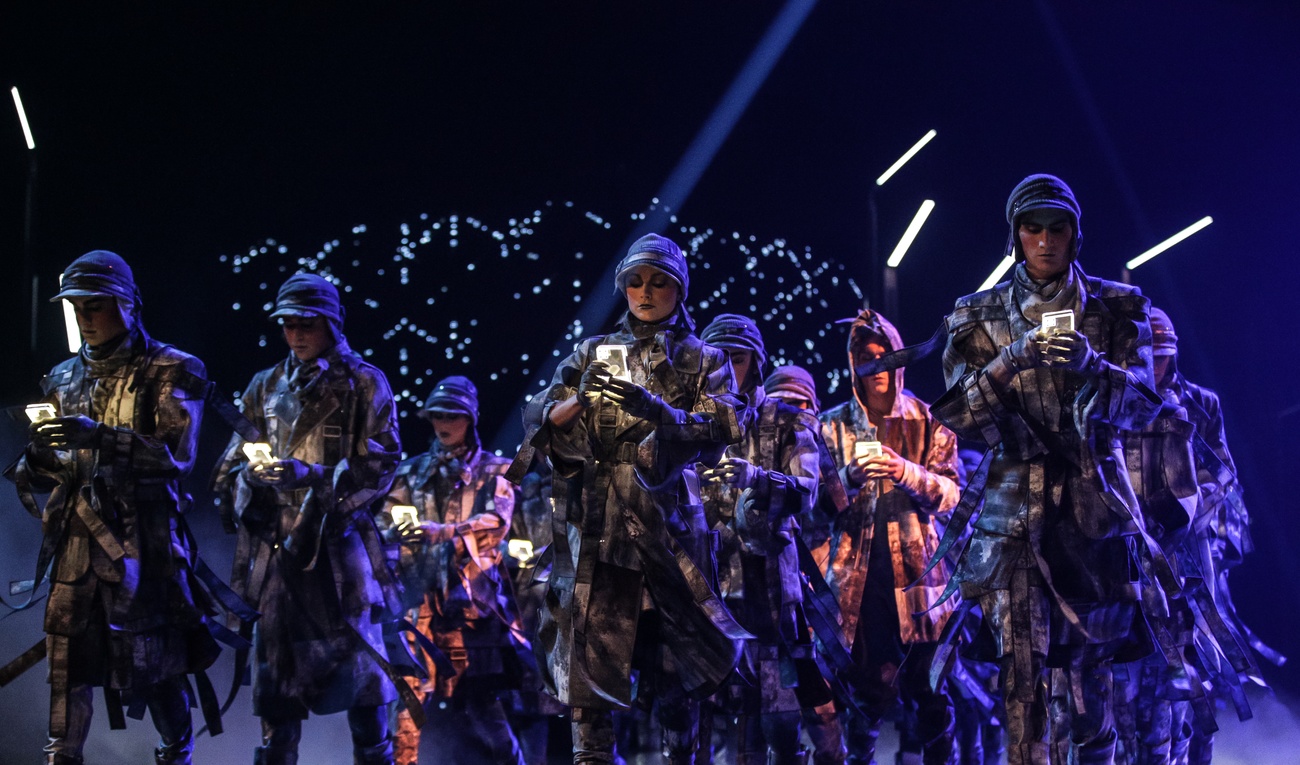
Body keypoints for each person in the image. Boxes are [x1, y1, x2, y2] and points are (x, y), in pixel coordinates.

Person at [929, 174, 1164, 765]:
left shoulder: (1119, 308)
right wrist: (1012, 360)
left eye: (1057, 227)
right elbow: (956, 418)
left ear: (1075, 234)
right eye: (1032, 228)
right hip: (1012, 526)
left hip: (1094, 521)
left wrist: (1094, 366)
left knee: (1089, 698)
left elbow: (1146, 409)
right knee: (1023, 696)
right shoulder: (975, 315)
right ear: (1015, 235)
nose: (1045, 240)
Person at [519, 233, 746, 765]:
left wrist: (660, 412)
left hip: (670, 536)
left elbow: (728, 423)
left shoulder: (703, 357)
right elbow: (539, 423)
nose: (645, 292)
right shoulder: (591, 351)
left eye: (659, 282)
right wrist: (562, 414)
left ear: (679, 288)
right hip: (597, 533)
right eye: (635, 282)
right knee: (588, 683)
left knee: (677, 676)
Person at [7, 251, 222, 765]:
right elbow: (41, 474)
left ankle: (177, 753)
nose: (85, 318)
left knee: (156, 666)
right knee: (66, 666)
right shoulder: (62, 377)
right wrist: (37, 455)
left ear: (127, 305)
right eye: (77, 308)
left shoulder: (175, 369)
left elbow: (178, 458)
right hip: (75, 549)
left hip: (144, 549)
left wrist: (101, 437)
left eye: (95, 306)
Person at [212, 273, 404, 765]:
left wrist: (313, 475)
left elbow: (382, 463)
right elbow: (229, 466)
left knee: (366, 706)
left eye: (306, 324)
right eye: (287, 325)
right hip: (279, 568)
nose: (295, 334)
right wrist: (252, 479)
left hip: (339, 563)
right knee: (278, 711)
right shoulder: (265, 385)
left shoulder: (364, 382)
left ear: (331, 323)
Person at [698, 315, 845, 765]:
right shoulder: (692, 423)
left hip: (771, 593)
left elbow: (808, 490)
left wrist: (758, 479)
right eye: (714, 359)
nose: (724, 369)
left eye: (736, 359)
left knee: (779, 720)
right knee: (706, 715)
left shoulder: (789, 421)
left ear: (756, 364)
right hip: (708, 588)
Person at [819, 308, 960, 765]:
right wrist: (847, 478)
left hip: (923, 588)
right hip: (856, 592)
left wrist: (905, 471)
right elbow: (813, 506)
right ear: (852, 362)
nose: (875, 366)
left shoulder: (930, 421)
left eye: (884, 356)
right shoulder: (830, 426)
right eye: (865, 356)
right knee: (861, 701)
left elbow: (953, 495)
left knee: (931, 697)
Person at [380, 376, 527, 765]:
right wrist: (399, 529)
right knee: (407, 703)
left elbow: (496, 523)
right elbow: (382, 522)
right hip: (417, 607)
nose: (443, 422)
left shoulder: (497, 471)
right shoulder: (410, 472)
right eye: (437, 415)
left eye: (452, 415)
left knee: (484, 707)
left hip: (471, 611)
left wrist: (441, 532)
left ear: (469, 419)